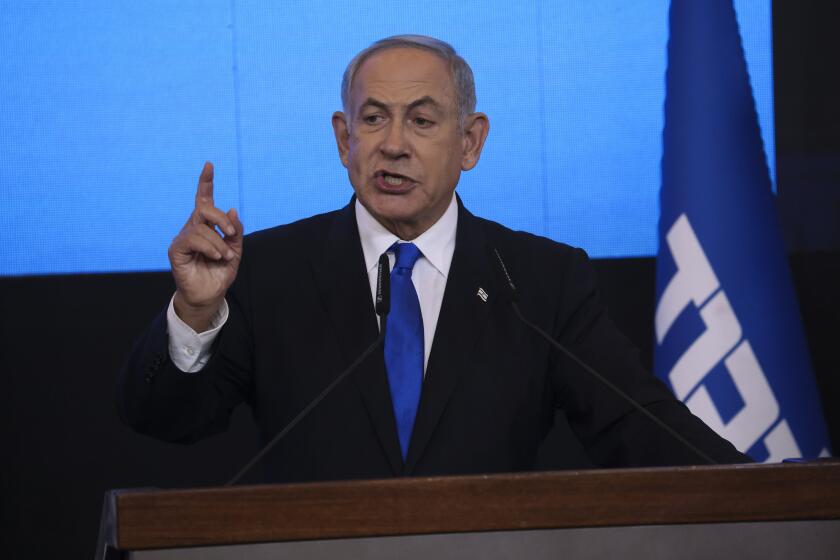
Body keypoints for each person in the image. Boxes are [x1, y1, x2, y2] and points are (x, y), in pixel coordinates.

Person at [118, 35, 748, 483]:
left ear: (470, 142)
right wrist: (194, 313)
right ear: (344, 139)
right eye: (374, 120)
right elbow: (165, 421)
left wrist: (775, 492)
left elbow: (637, 426)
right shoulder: (268, 271)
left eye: (421, 121)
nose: (393, 145)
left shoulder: (538, 281)